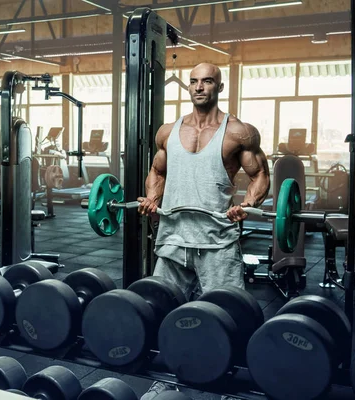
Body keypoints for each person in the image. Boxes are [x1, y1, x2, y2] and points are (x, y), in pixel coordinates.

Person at [139, 63, 270, 399]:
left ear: (219, 87)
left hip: (217, 241)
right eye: (194, 81)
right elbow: (157, 171)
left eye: (207, 81)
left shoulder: (238, 132)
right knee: (163, 312)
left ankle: (229, 385)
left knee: (229, 315)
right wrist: (153, 198)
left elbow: (260, 176)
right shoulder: (168, 132)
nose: (199, 87)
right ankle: (168, 377)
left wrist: (247, 203)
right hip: (173, 239)